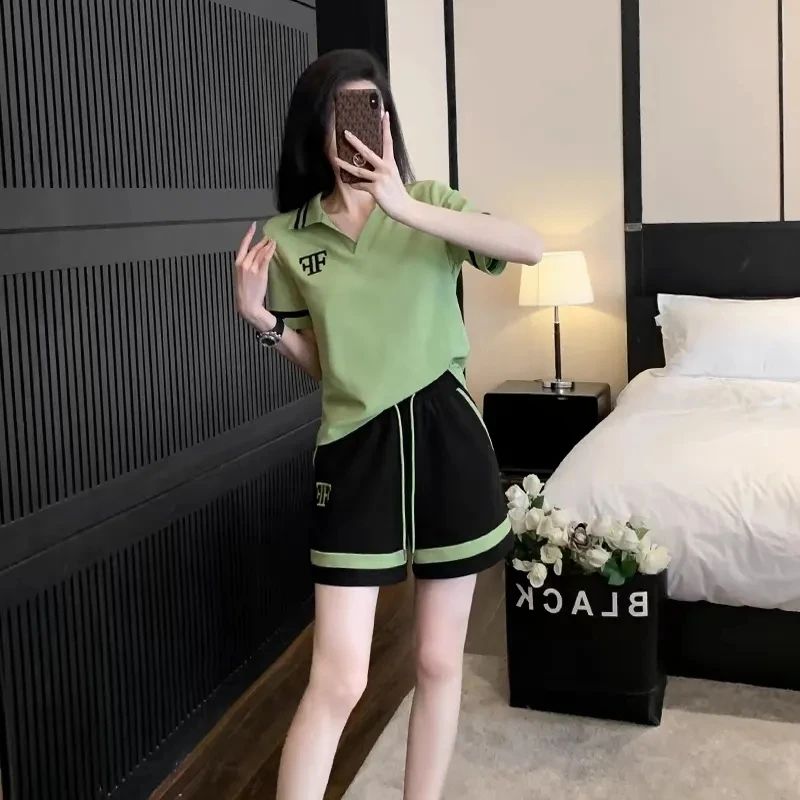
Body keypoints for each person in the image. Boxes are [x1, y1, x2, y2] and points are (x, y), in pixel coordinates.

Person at [233, 49, 543, 800]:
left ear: (387, 121)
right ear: (315, 129)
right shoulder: (289, 237)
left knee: (438, 662)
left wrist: (403, 205)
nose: (359, 129)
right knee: (339, 677)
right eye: (341, 113)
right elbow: (328, 364)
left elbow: (529, 246)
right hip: (354, 454)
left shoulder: (429, 204)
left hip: (448, 442)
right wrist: (262, 320)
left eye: (371, 109)